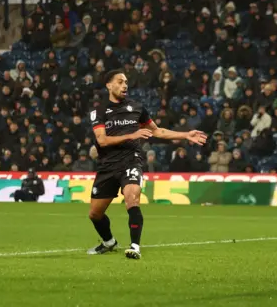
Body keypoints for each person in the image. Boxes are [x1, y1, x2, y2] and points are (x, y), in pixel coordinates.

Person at [88, 69, 207, 259]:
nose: (125, 85)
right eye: (120, 82)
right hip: (107, 165)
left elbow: (158, 132)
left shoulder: (137, 108)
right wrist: (133, 135)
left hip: (131, 161)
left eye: (126, 82)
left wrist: (185, 135)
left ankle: (135, 246)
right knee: (95, 214)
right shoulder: (99, 111)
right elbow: (102, 141)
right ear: (109, 85)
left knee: (132, 199)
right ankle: (109, 241)